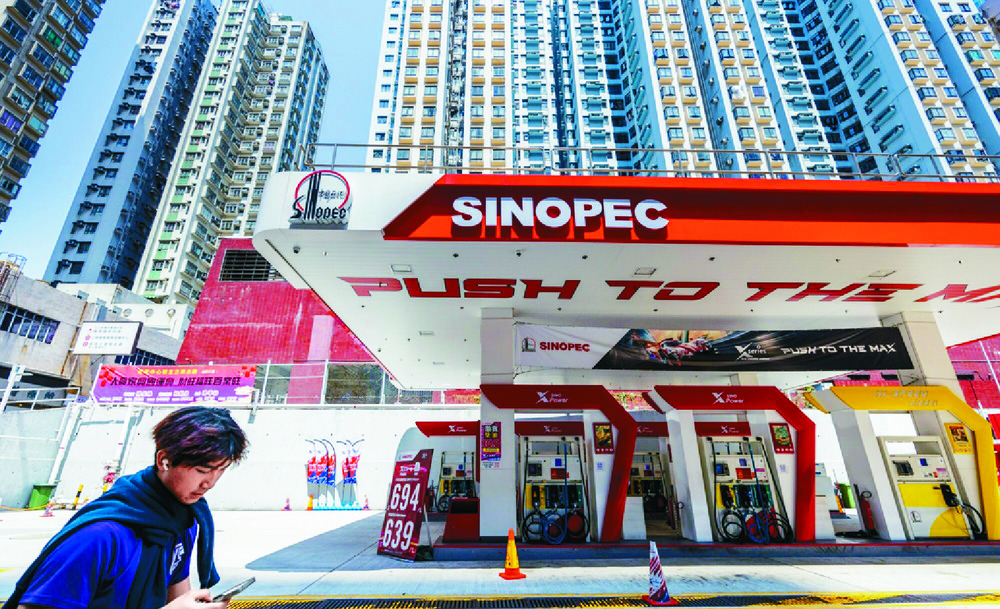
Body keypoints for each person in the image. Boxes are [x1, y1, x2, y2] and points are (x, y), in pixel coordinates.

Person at [4, 406, 249, 609]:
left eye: (221, 470)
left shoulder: (181, 521)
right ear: (163, 460)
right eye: (202, 470)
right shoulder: (99, 538)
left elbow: (177, 595)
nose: (210, 483)